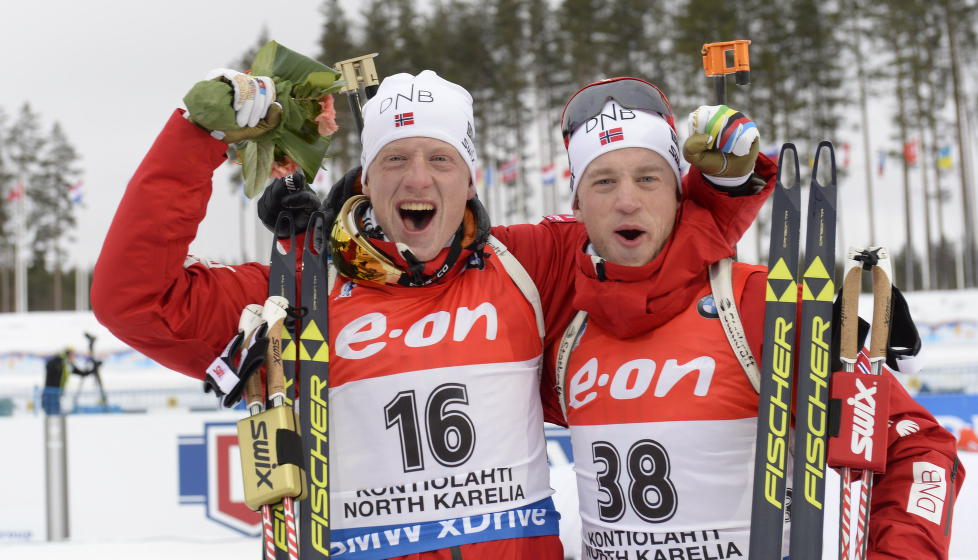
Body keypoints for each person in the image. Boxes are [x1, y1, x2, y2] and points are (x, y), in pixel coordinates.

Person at [92, 66, 769, 559]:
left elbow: (649, 242)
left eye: (441, 159)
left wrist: (722, 183)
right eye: (396, 160)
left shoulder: (529, 263)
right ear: (365, 179)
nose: (419, 179)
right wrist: (196, 137)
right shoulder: (302, 291)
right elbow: (136, 300)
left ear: (471, 178)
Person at [553, 79, 966, 559]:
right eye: (603, 180)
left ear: (680, 193)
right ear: (576, 203)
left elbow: (919, 452)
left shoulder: (754, 306)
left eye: (648, 178)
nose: (628, 200)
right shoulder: (562, 323)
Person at [42, 347, 90, 414]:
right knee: (50, 410)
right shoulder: (58, 362)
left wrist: (93, 369)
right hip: (50, 391)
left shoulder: (67, 364)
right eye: (72, 355)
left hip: (58, 391)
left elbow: (81, 373)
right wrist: (59, 358)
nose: (74, 357)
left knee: (55, 410)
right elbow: (49, 365)